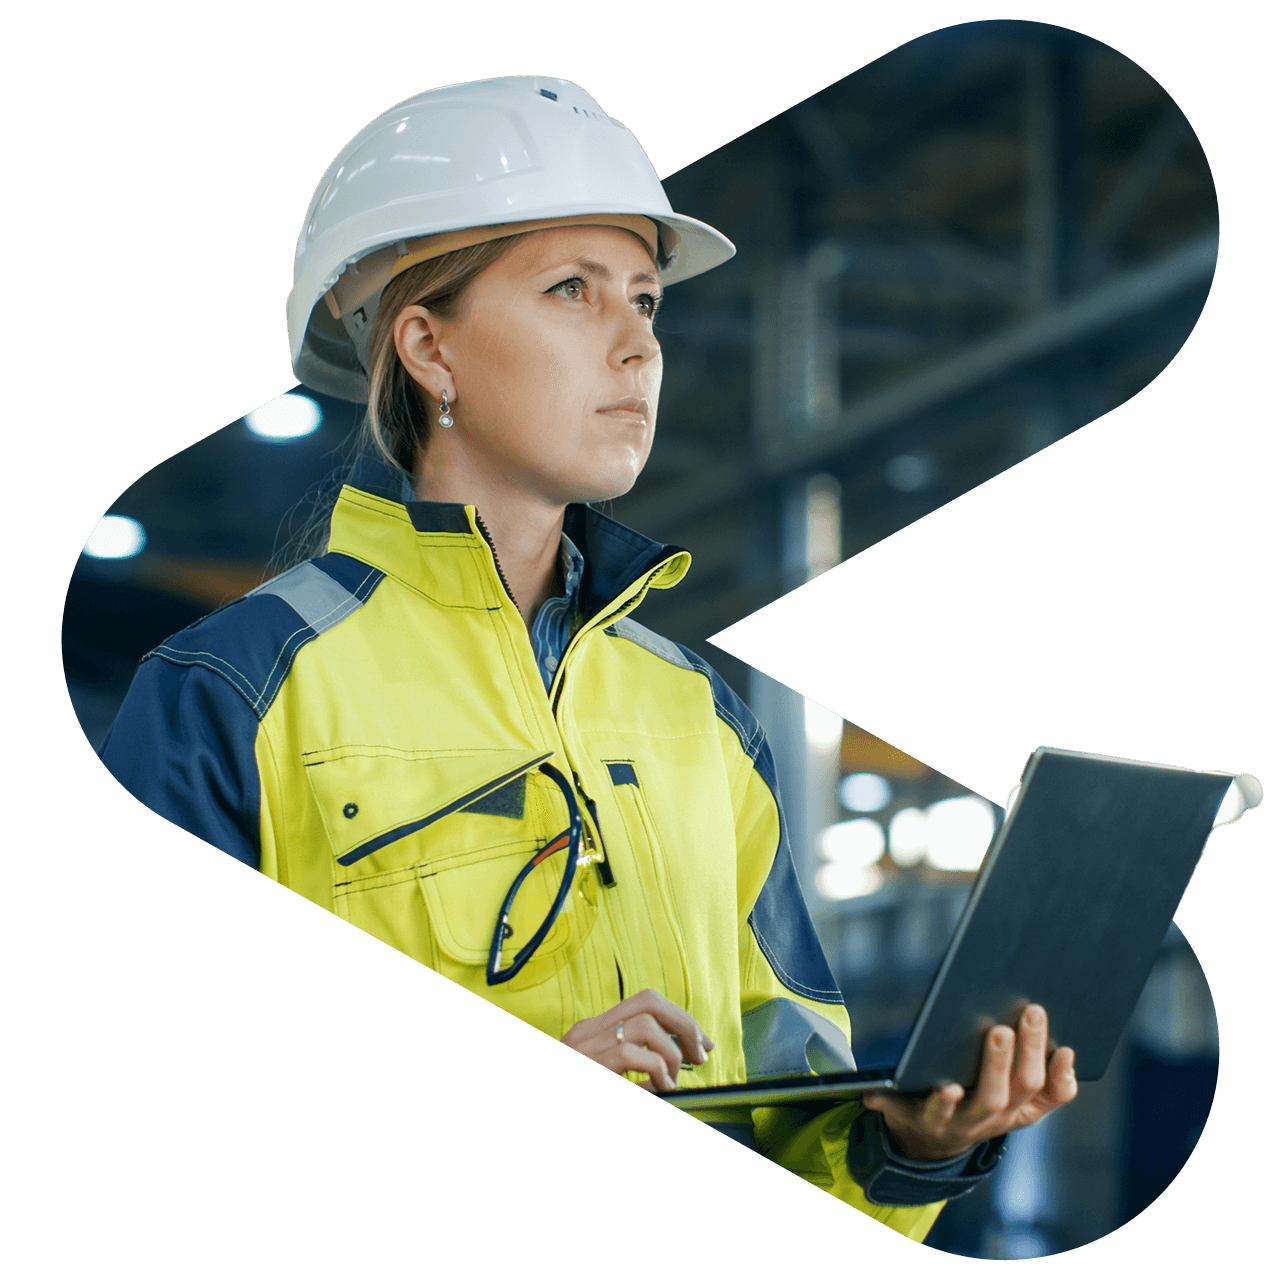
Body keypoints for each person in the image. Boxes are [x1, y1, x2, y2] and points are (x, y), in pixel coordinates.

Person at [95, 77, 1075, 1242]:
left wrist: (913, 1147)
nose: (637, 345)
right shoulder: (229, 691)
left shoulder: (699, 712)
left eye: (647, 300)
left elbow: (792, 1083)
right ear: (426, 345)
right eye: (571, 290)